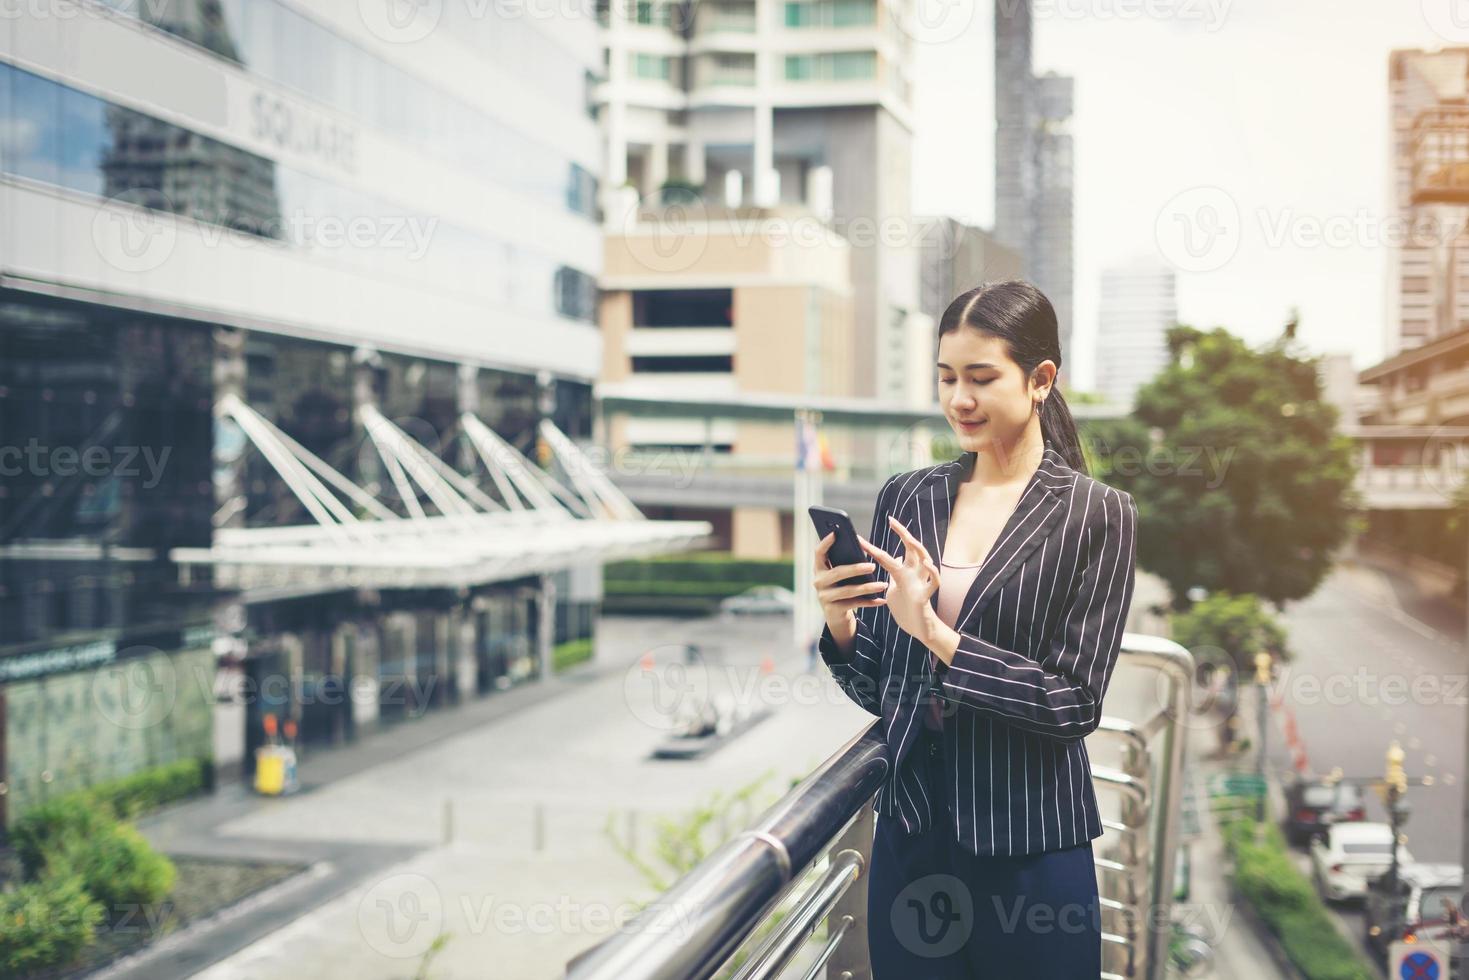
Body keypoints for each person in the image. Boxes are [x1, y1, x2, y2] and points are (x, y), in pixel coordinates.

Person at [811, 280, 1138, 978]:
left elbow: (1071, 703)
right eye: (946, 378)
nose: (959, 398)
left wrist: (936, 632)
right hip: (911, 845)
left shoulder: (1096, 515)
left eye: (981, 378)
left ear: (1040, 379)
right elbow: (881, 690)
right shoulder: (907, 495)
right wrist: (841, 622)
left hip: (1030, 855)